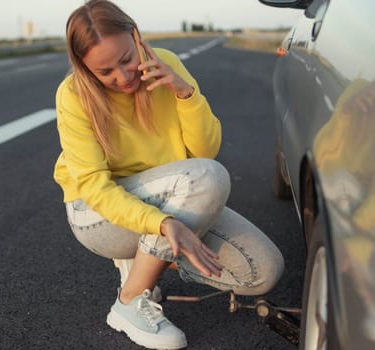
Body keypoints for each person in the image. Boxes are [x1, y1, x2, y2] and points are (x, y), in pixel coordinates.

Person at [53, 1, 285, 348]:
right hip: (98, 217)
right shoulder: (73, 95)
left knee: (261, 271)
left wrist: (184, 92)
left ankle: (146, 259)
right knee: (209, 178)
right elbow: (96, 189)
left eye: (126, 59)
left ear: (136, 37)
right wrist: (161, 223)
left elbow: (205, 150)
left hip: (173, 194)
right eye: (105, 72)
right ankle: (130, 301)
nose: (123, 76)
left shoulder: (167, 65)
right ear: (85, 69)